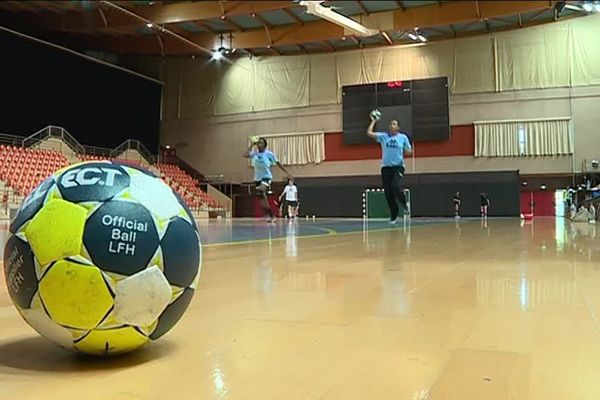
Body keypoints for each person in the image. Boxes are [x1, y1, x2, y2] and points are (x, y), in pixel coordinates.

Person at [367, 112, 412, 224]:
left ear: (398, 127)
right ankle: (394, 215)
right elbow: (369, 133)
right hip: (386, 168)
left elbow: (409, 151)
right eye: (390, 124)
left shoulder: (403, 137)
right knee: (388, 193)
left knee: (395, 186)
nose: (391, 125)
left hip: (398, 167)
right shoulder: (384, 137)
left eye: (394, 124)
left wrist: (406, 151)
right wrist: (373, 121)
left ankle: (404, 203)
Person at [244, 137, 291, 222]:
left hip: (266, 177)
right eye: (258, 143)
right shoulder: (255, 154)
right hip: (257, 179)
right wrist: (252, 145)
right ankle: (271, 215)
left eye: (261, 143)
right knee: (261, 197)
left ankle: (270, 214)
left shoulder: (269, 154)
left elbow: (277, 163)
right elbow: (245, 154)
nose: (259, 144)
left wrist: (287, 172)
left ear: (265, 145)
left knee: (261, 190)